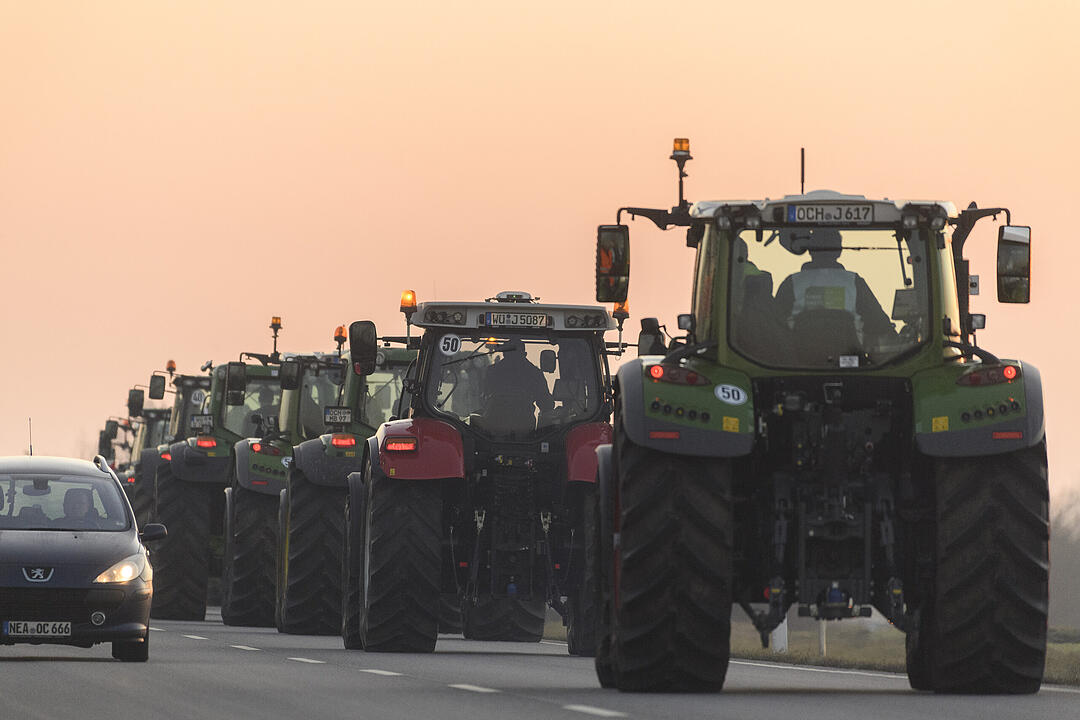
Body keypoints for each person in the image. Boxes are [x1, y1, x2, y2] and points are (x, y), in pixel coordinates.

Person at [773, 229, 894, 348]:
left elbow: (775, 325)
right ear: (839, 251)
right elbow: (878, 323)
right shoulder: (854, 281)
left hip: (799, 362)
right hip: (849, 361)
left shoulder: (792, 282)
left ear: (809, 250)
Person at [480, 338, 555, 433]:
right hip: (524, 429)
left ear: (504, 353)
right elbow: (546, 404)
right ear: (524, 354)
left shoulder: (492, 371)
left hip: (493, 427)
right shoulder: (534, 373)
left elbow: (483, 398)